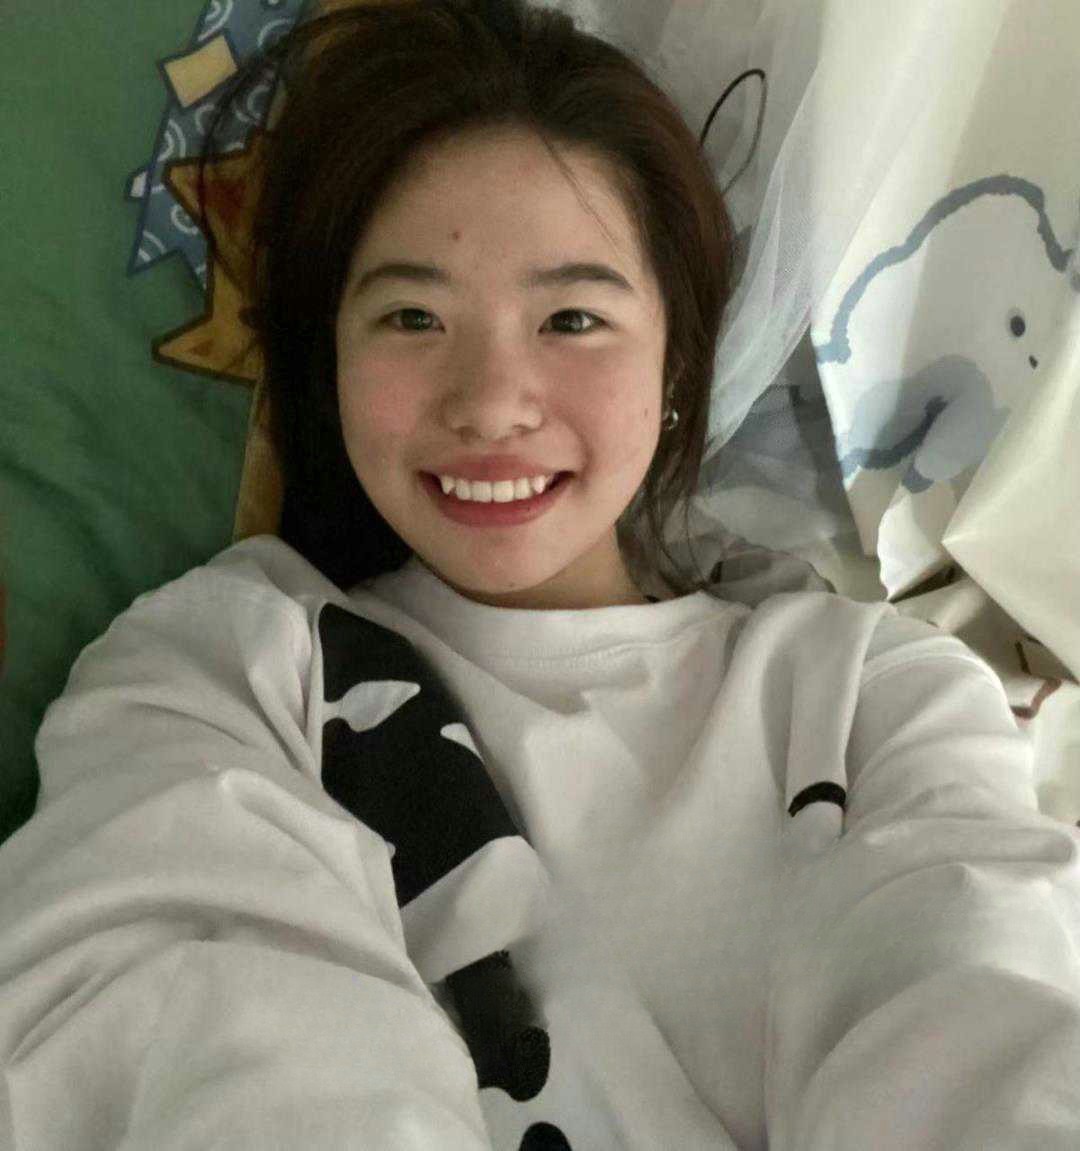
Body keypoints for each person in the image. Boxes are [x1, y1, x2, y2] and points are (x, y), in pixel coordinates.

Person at [2, 2, 1079, 1148]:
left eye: (571, 317)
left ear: (678, 360)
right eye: (412, 315)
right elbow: (203, 1023)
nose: (490, 403)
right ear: (330, 361)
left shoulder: (878, 694)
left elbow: (979, 1010)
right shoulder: (223, 671)